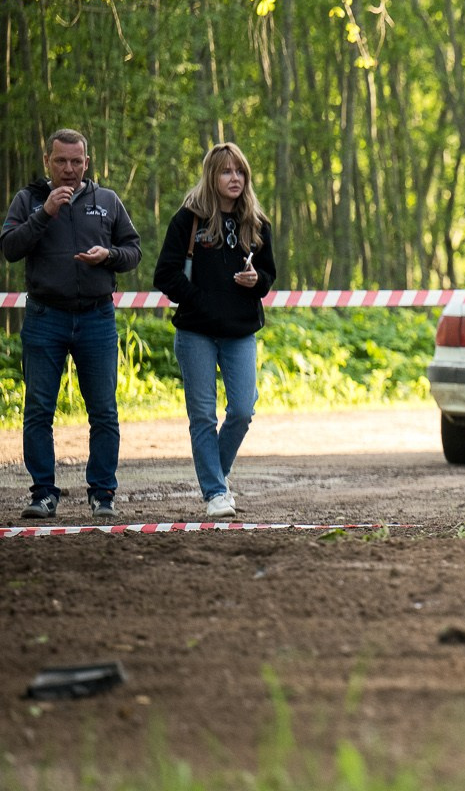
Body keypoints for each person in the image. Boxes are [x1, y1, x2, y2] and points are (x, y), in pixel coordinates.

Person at [1, 129, 143, 520]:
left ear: (87, 162)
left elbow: (134, 251)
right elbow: (10, 248)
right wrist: (44, 213)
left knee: (103, 411)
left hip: (97, 317)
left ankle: (102, 494)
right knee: (38, 410)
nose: (69, 169)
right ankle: (44, 493)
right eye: (61, 161)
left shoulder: (108, 201)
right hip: (46, 317)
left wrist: (109, 255)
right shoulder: (28, 199)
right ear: (48, 161)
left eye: (76, 162)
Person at [151, 142, 278, 520]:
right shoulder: (188, 220)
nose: (234, 178)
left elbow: (269, 277)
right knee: (203, 415)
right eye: (226, 171)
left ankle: (215, 477)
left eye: (239, 171)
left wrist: (256, 281)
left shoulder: (256, 222)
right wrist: (198, 299)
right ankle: (216, 492)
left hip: (240, 331)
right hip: (196, 332)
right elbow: (165, 275)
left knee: (242, 409)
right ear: (212, 176)